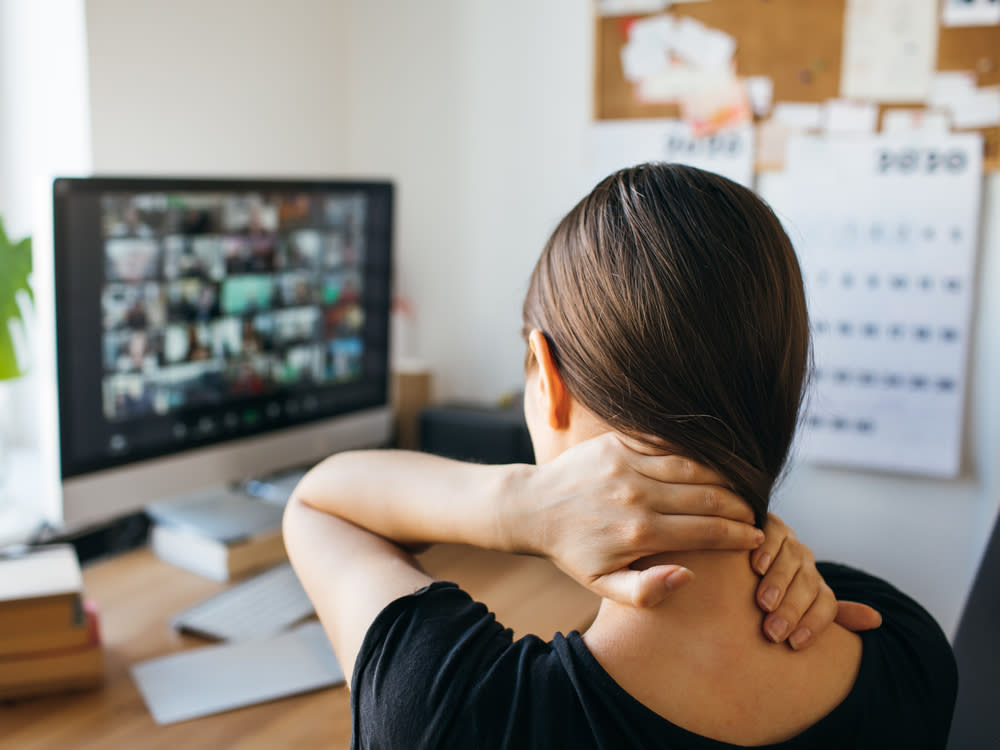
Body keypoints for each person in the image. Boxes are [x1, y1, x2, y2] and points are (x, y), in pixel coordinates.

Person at [284, 163, 957, 748]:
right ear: (785, 384)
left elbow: (319, 502)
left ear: (548, 381)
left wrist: (516, 507)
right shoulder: (902, 643)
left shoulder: (451, 713)